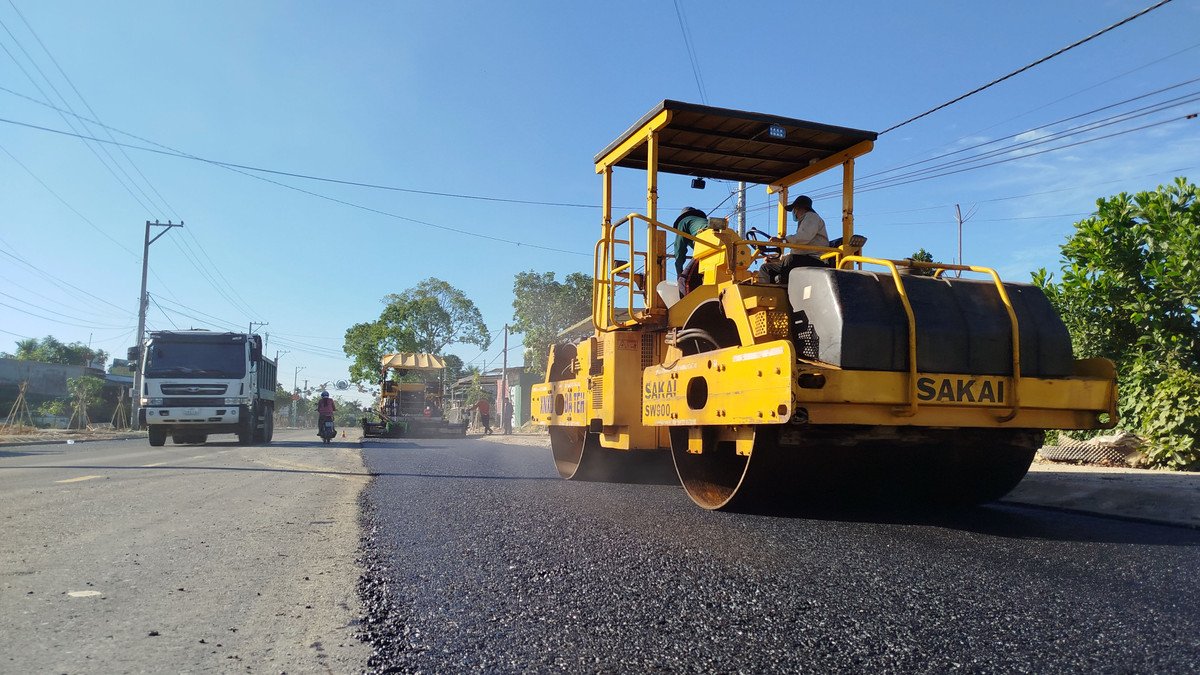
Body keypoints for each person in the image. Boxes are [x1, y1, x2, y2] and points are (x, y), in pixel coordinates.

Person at [757, 195, 830, 284]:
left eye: (794, 210)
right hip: (806, 258)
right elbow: (798, 249)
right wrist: (778, 259)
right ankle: (767, 295)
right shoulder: (805, 221)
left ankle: (785, 290)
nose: (794, 213)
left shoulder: (812, 217)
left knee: (790, 260)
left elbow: (803, 237)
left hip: (816, 260)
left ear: (798, 209)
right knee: (766, 268)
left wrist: (783, 240)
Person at [672, 207, 708, 295]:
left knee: (684, 280)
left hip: (708, 247)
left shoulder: (684, 221)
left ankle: (686, 306)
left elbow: (679, 248)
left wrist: (679, 272)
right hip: (729, 247)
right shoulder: (703, 223)